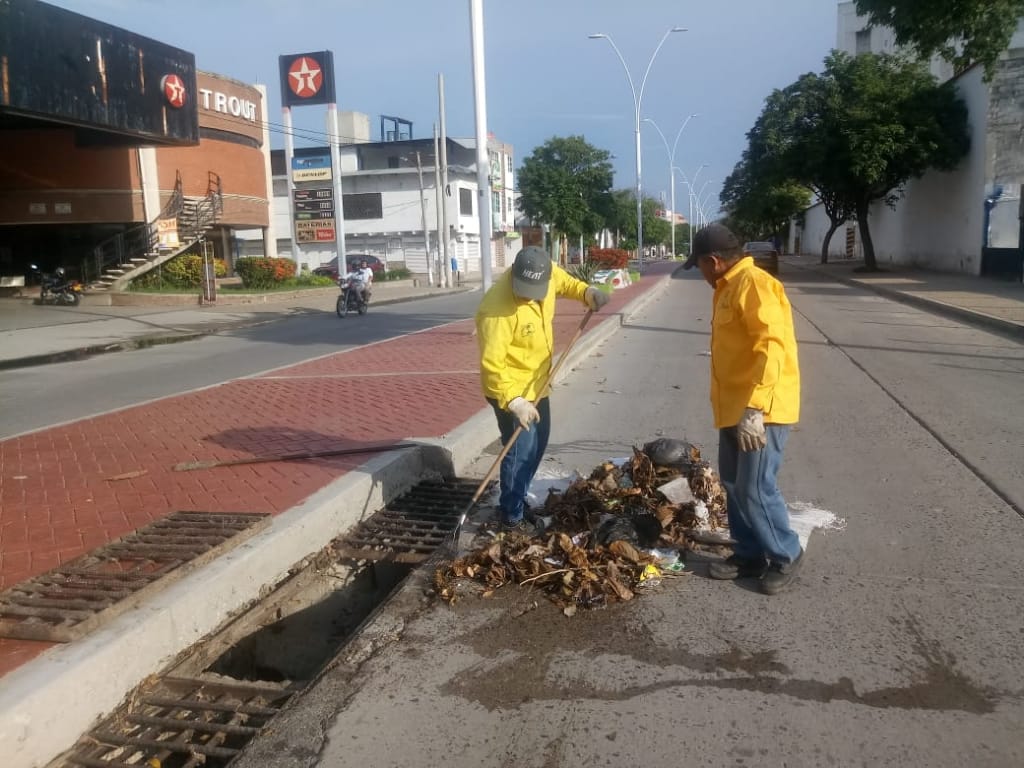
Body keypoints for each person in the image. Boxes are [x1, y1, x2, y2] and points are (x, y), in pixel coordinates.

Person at [682, 224, 804, 595]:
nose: (701, 273)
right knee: (734, 484)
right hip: (735, 407)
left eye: (700, 265)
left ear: (714, 261)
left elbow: (772, 347)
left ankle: (786, 554)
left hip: (760, 410)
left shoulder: (754, 284)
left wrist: (756, 408)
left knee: (755, 487)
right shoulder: (727, 287)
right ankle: (749, 554)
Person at [475, 246, 610, 533]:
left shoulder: (546, 274)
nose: (528, 295)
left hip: (538, 384)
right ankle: (510, 516)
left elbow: (567, 283)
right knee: (520, 450)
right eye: (523, 290)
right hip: (509, 390)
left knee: (538, 443)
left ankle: (518, 497)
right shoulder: (495, 310)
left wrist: (588, 293)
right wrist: (514, 401)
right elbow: (492, 365)